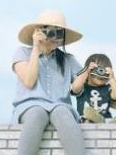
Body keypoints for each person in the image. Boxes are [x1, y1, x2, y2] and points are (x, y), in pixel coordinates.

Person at [11, 10, 86, 155]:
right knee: (37, 113)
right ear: (40, 32)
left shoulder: (68, 59)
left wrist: (90, 70)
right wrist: (36, 49)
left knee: (63, 112)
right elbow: (28, 81)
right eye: (51, 31)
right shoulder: (23, 53)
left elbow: (81, 86)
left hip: (60, 105)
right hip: (30, 105)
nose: (55, 36)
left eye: (59, 32)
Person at [71, 53, 116, 123]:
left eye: (104, 70)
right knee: (89, 113)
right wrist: (86, 72)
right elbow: (75, 88)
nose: (101, 72)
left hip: (105, 120)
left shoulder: (107, 88)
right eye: (98, 69)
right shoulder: (83, 87)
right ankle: (93, 117)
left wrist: (112, 79)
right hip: (86, 120)